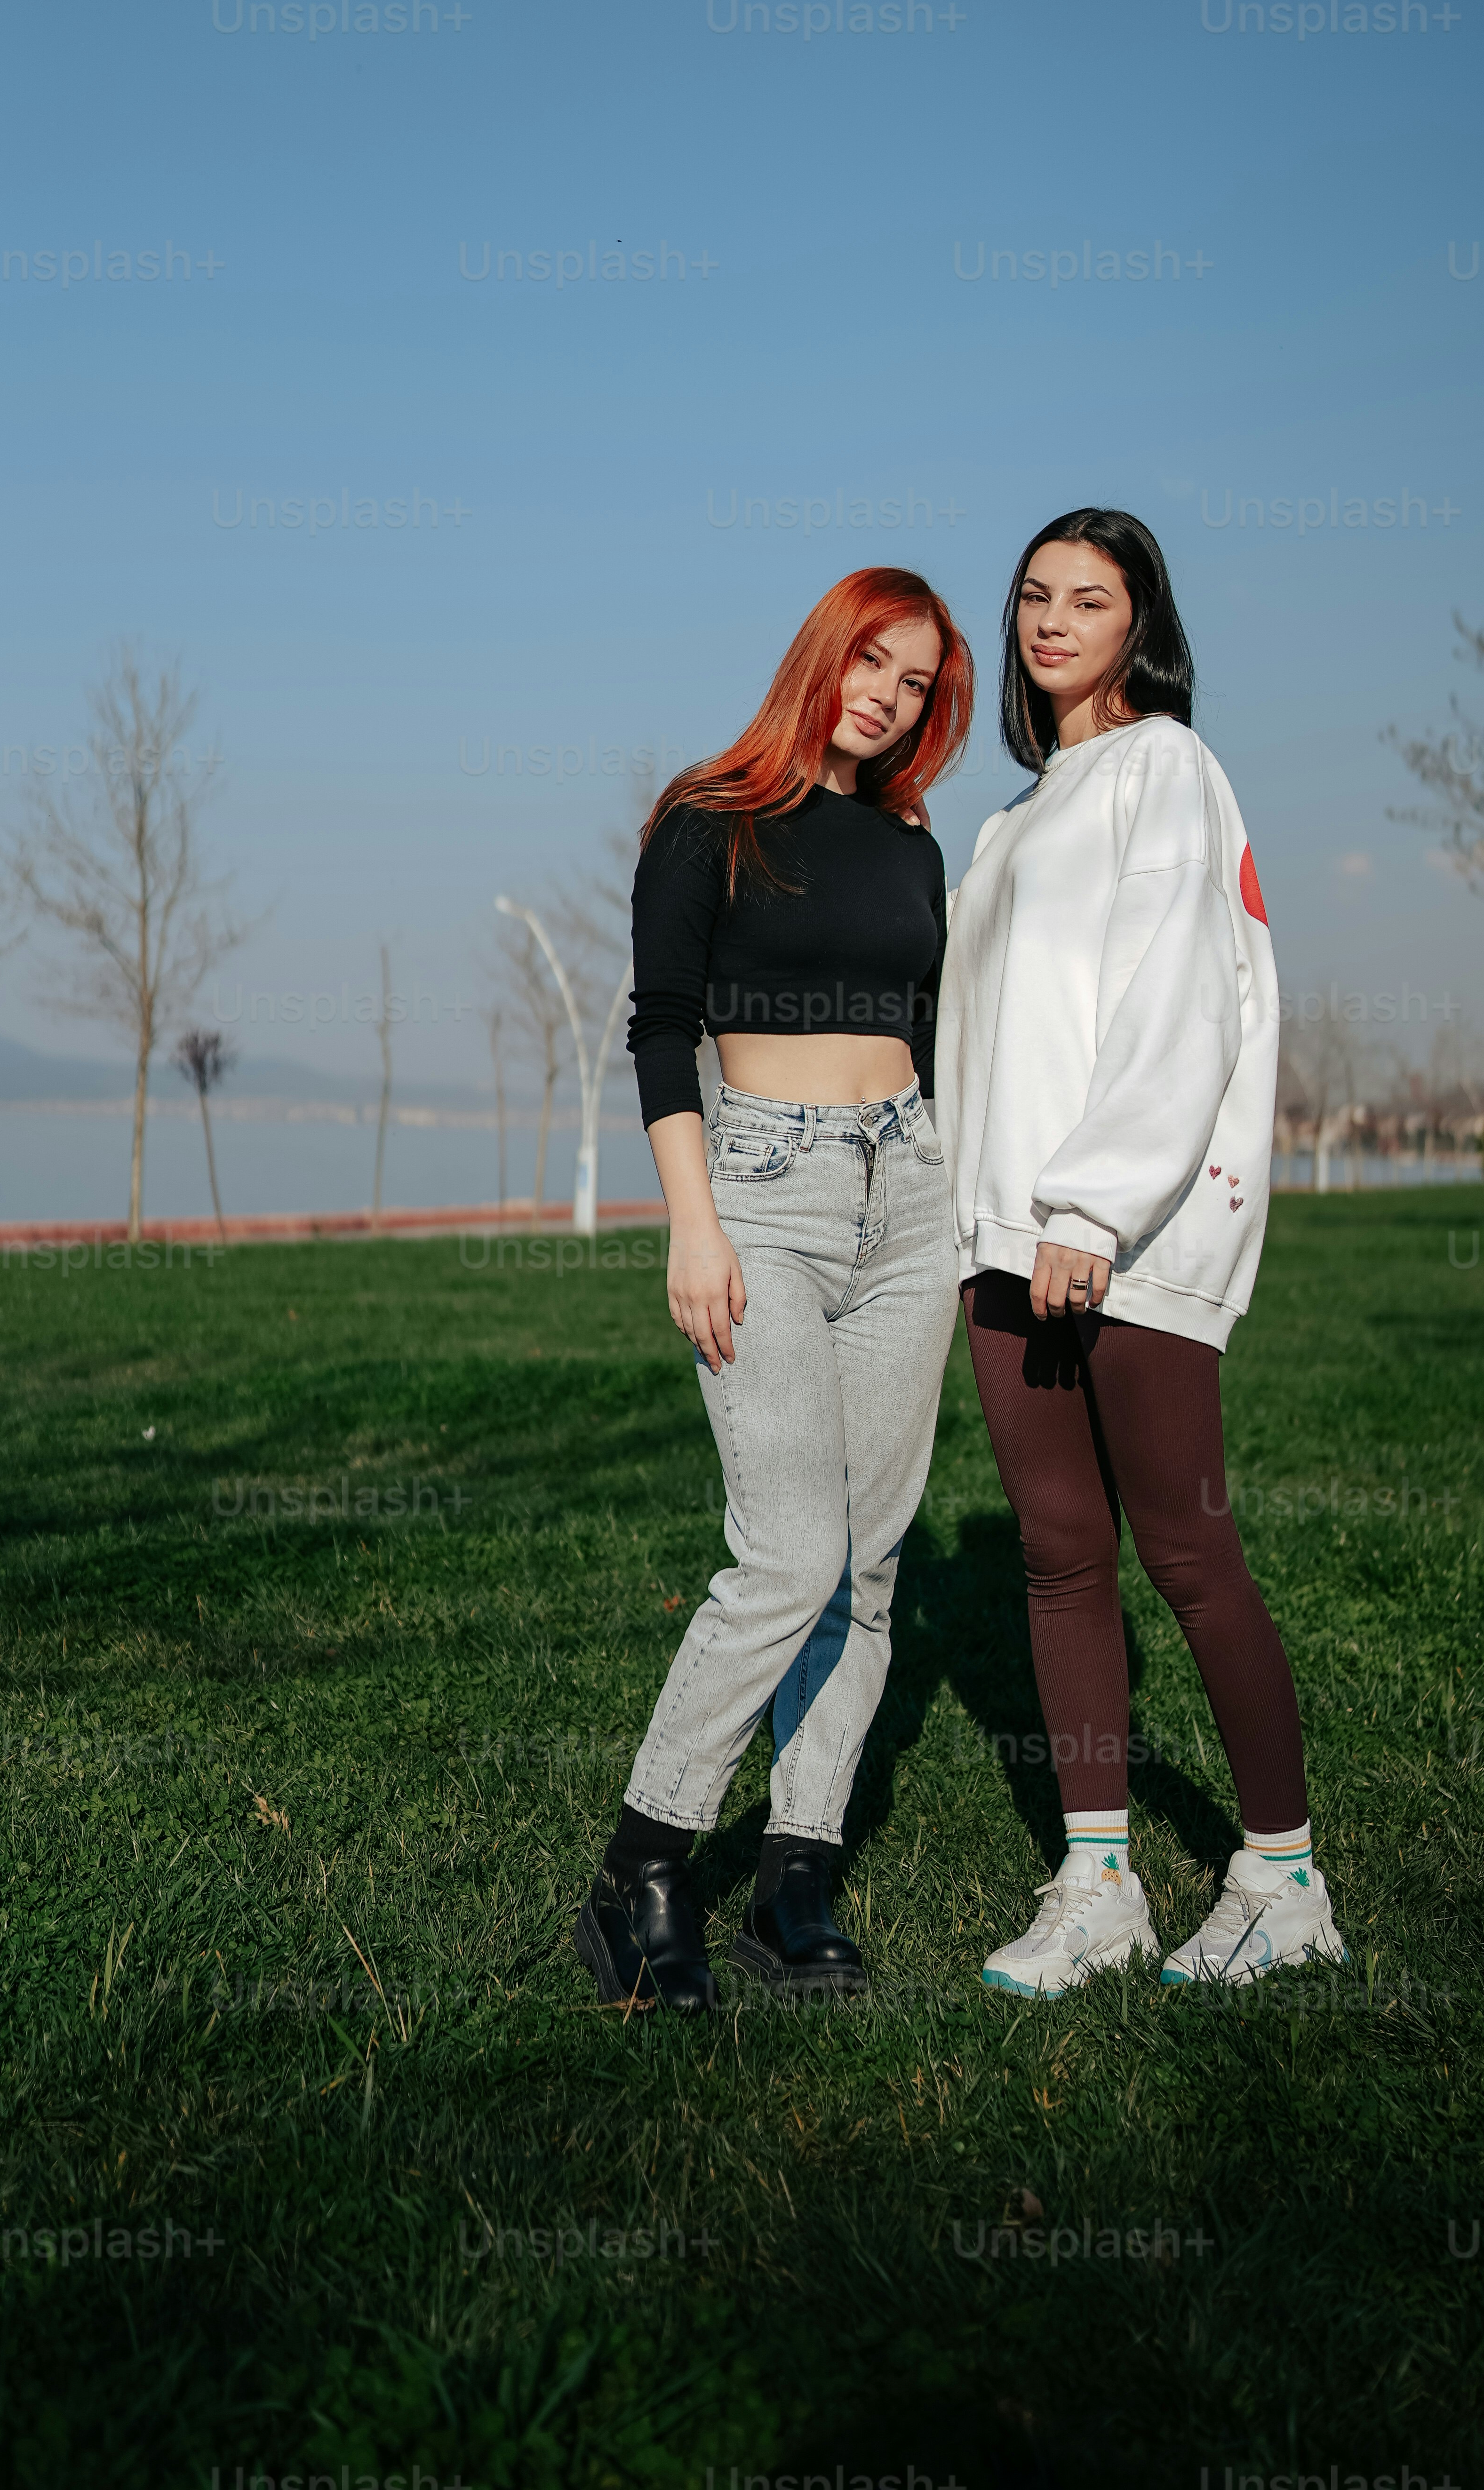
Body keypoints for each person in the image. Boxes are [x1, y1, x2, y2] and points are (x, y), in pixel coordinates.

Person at [934, 509, 1346, 1995]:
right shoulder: (1011, 823)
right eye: (1035, 596)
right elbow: (980, 1049)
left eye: (1088, 599)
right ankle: (1098, 1884)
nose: (1052, 621)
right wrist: (971, 1227)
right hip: (1003, 1243)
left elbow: (1183, 1004)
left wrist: (1094, 1211)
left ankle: (1283, 1881)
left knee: (1183, 1550)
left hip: (1127, 1236)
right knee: (1056, 1559)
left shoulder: (1166, 771)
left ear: (1139, 622)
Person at [574, 567, 973, 2014]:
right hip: (762, 1194)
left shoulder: (913, 850)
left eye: (919, 682)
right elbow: (664, 1028)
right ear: (825, 654)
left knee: (869, 1566)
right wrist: (694, 1225)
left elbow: (931, 1036)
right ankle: (645, 1870)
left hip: (911, 1197)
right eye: (873, 660)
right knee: (788, 1554)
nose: (889, 693)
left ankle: (797, 1876)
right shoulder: (711, 817)